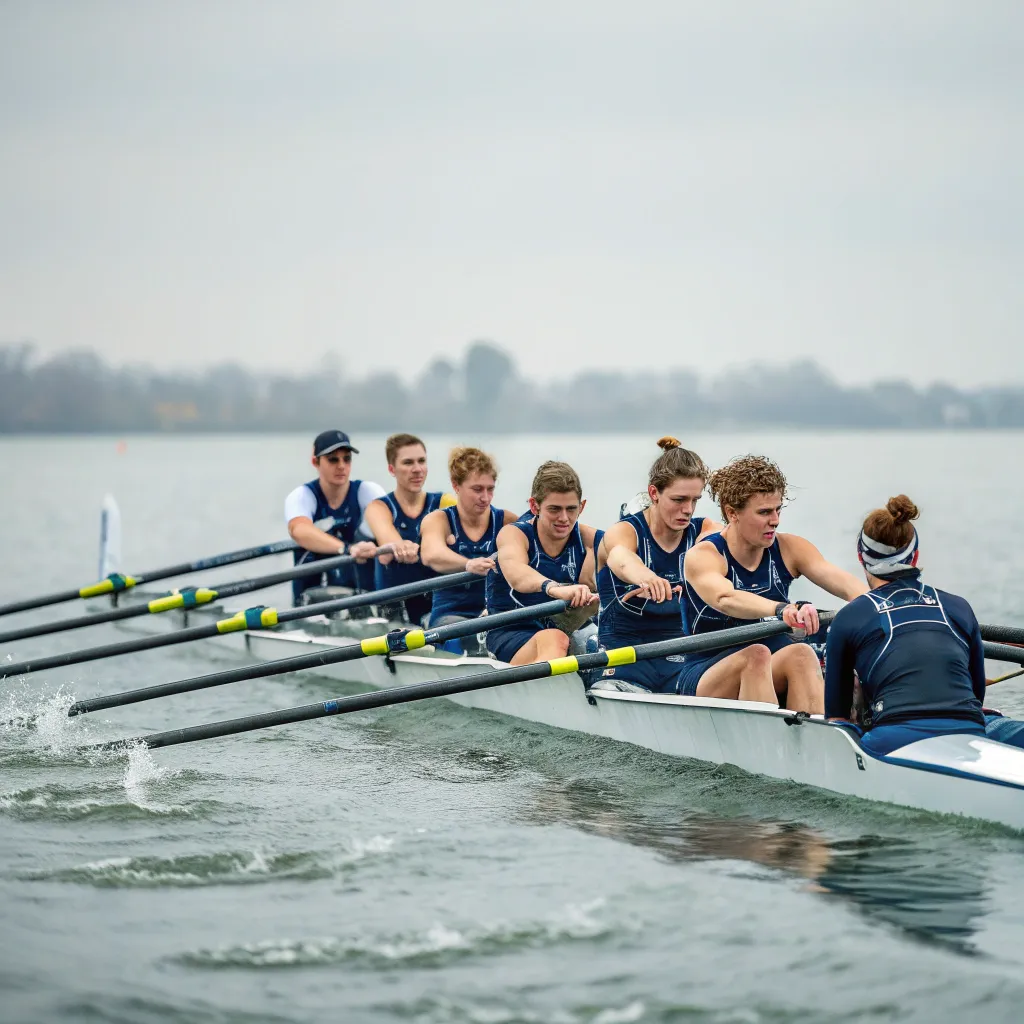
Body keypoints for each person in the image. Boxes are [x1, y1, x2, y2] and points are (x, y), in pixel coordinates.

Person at [824, 495, 1016, 755]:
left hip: (891, 739)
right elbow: (976, 695)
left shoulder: (847, 618)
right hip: (969, 729)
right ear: (914, 556)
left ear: (861, 556)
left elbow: (836, 717)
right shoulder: (959, 607)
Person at [680, 455, 867, 711]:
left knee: (802, 654)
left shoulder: (791, 548)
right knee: (756, 656)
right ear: (731, 513)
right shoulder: (704, 556)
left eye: (778, 510)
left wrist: (880, 603)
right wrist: (781, 609)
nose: (775, 520)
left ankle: (816, 740)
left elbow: (847, 585)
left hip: (771, 661)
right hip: (708, 669)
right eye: (764, 512)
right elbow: (725, 598)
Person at [593, 437, 721, 692]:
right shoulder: (625, 531)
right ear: (654, 493)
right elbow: (620, 557)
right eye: (679, 500)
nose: (688, 510)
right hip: (623, 660)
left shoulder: (703, 530)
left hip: (680, 658)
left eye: (694, 500)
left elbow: (722, 545)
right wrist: (646, 577)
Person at [485, 461, 600, 665]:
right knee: (556, 639)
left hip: (563, 628)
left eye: (571, 509)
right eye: (554, 509)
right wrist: (555, 589)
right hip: (512, 631)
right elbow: (516, 573)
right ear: (534, 505)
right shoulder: (514, 534)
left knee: (603, 638)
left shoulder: (590, 538)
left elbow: (629, 555)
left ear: (582, 507)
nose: (564, 518)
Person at [420, 447, 517, 633]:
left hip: (494, 613)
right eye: (477, 489)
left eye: (490, 489)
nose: (485, 498)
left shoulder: (506, 521)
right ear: (456, 485)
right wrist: (468, 564)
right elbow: (431, 554)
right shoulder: (439, 520)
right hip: (450, 616)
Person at [284, 430, 384, 605]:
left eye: (347, 459)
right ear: (315, 462)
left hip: (363, 600)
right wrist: (346, 549)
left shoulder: (367, 491)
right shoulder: (302, 496)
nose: (341, 466)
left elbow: (389, 523)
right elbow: (299, 530)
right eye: (333, 459)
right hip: (311, 607)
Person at [363, 433, 444, 625]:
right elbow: (388, 538)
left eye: (421, 461)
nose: (417, 469)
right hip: (393, 615)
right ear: (392, 469)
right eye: (408, 463)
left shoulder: (442, 503)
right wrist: (399, 545)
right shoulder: (379, 507)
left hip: (436, 609)